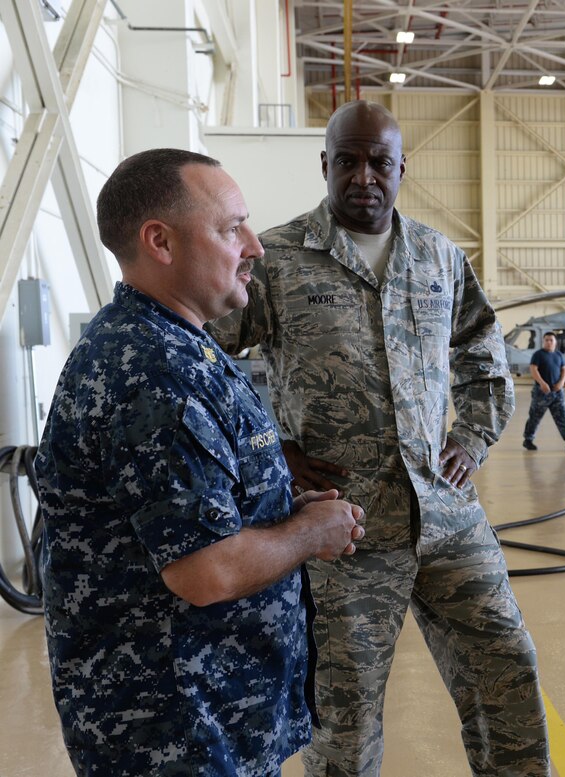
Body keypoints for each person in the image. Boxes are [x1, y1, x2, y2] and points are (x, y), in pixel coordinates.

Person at [208, 100, 549, 777]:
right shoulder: (278, 259)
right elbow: (208, 359)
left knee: (507, 670)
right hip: (343, 527)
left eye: (379, 161)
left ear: (401, 167)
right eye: (349, 160)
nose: (364, 175)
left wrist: (472, 439)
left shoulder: (439, 257)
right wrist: (270, 450)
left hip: (446, 513)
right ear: (326, 164)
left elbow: (485, 353)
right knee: (346, 714)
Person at [34, 148, 364, 776]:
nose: (255, 246)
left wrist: (278, 509)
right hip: (173, 729)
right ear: (159, 241)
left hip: (215, 715)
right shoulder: (153, 373)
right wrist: (309, 532)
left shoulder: (182, 347)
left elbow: (187, 510)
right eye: (229, 227)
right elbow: (203, 572)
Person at [523, 331, 565, 451]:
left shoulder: (559, 355)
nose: (549, 342)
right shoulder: (538, 355)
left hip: (557, 392)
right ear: (543, 342)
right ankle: (528, 440)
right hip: (542, 392)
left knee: (562, 416)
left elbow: (564, 370)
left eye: (551, 340)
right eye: (546, 340)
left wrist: (561, 383)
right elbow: (533, 369)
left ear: (555, 342)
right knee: (535, 417)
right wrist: (542, 383)